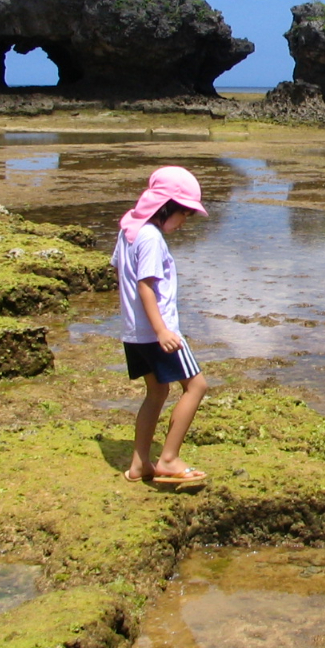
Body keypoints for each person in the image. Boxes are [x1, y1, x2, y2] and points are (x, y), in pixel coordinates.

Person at [111, 166, 210, 483]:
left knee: (156, 391)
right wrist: (162, 331)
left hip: (134, 333)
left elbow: (120, 273)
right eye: (184, 214)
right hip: (158, 332)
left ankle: (140, 464)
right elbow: (146, 287)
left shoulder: (130, 228)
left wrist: (142, 327)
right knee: (196, 386)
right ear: (166, 206)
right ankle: (168, 458)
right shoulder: (151, 238)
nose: (184, 222)